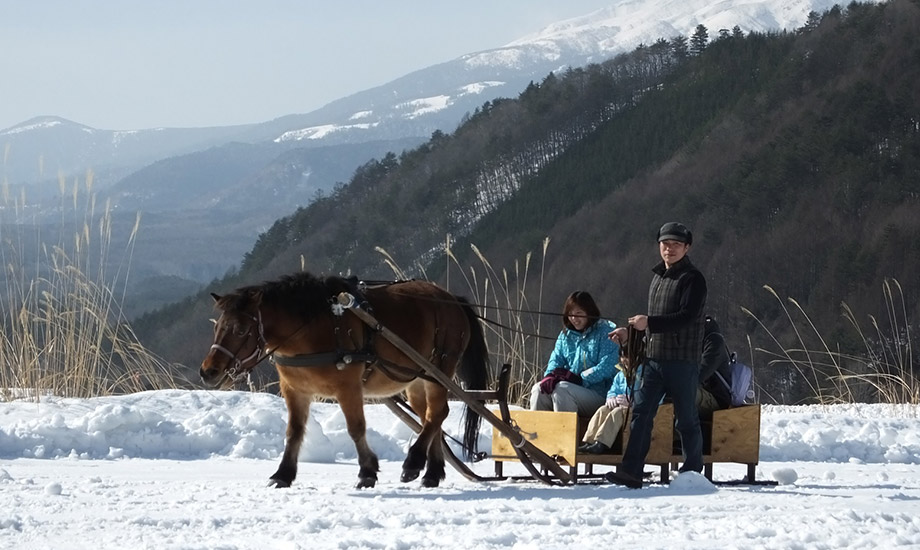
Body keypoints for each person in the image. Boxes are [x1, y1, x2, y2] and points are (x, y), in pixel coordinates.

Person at [606, 221, 707, 489]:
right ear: (658, 246)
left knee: (686, 418)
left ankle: (692, 473)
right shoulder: (658, 277)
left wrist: (647, 322)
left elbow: (685, 317)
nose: (669, 249)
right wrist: (631, 333)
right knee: (641, 413)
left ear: (687, 247)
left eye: (676, 244)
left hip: (683, 360)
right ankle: (631, 471)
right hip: (653, 360)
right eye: (665, 243)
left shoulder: (693, 279)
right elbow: (651, 323)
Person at [530, 291, 619, 417]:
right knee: (539, 389)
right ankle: (537, 432)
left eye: (579, 314)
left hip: (598, 393)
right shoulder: (566, 335)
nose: (574, 319)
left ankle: (565, 433)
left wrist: (579, 378)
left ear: (589, 313)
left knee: (562, 390)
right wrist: (550, 375)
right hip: (569, 386)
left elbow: (608, 365)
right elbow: (556, 359)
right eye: (570, 315)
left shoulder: (605, 332)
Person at [578, 341, 643, 454]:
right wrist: (611, 397)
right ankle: (589, 441)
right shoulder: (620, 375)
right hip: (621, 405)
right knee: (602, 410)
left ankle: (601, 443)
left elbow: (650, 395)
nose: (624, 360)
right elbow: (613, 389)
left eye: (627, 356)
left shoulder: (644, 374)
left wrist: (633, 401)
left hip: (636, 409)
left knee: (617, 412)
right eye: (622, 357)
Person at [697, 315, 732, 419]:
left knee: (684, 391)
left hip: (717, 400)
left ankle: (681, 433)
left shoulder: (715, 343)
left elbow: (700, 374)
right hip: (703, 392)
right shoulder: (697, 341)